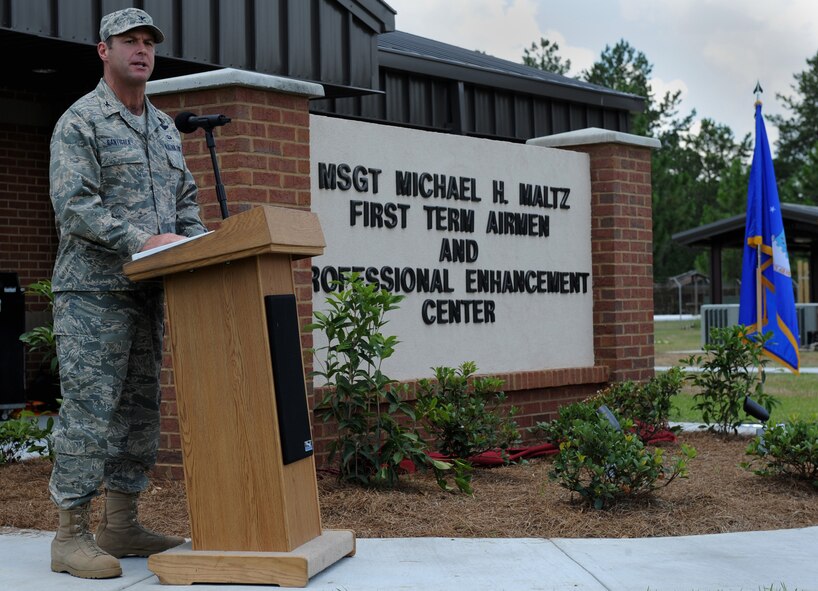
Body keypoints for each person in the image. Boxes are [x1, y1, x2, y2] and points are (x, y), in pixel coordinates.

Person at [48, 8, 207, 579]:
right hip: (93, 293)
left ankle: (121, 521)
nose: (141, 49)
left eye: (148, 42)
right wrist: (145, 240)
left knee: (140, 412)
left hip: (149, 293)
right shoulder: (81, 121)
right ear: (103, 51)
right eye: (128, 41)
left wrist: (197, 243)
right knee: (91, 412)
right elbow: (76, 207)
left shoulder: (164, 128)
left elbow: (185, 202)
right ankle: (70, 534)